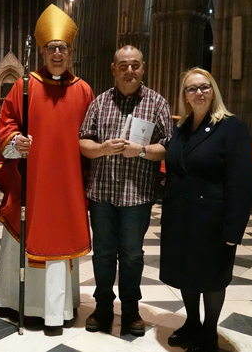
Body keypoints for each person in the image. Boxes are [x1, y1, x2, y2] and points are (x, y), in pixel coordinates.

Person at [0, 4, 94, 334]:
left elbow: (90, 137)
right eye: (51, 48)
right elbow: (5, 124)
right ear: (42, 51)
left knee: (61, 243)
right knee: (26, 242)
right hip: (31, 184)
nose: (57, 54)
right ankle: (23, 305)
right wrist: (16, 140)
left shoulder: (83, 90)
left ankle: (59, 310)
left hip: (68, 185)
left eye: (62, 48)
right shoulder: (24, 87)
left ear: (71, 51)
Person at [79, 45, 173, 335]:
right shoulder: (99, 103)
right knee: (104, 254)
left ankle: (131, 310)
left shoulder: (157, 103)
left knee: (132, 255)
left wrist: (142, 151)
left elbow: (168, 148)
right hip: (103, 194)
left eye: (135, 65)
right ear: (114, 68)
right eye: (123, 65)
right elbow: (83, 143)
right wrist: (102, 148)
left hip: (137, 197)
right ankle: (103, 307)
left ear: (143, 68)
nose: (129, 70)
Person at [160, 67, 252, 352]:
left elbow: (241, 181)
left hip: (211, 221)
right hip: (181, 218)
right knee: (186, 274)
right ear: (185, 96)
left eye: (204, 87)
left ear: (213, 91)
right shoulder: (182, 128)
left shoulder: (231, 127)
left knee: (212, 278)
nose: (198, 93)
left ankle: (209, 332)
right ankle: (192, 323)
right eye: (192, 88)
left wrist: (233, 229)